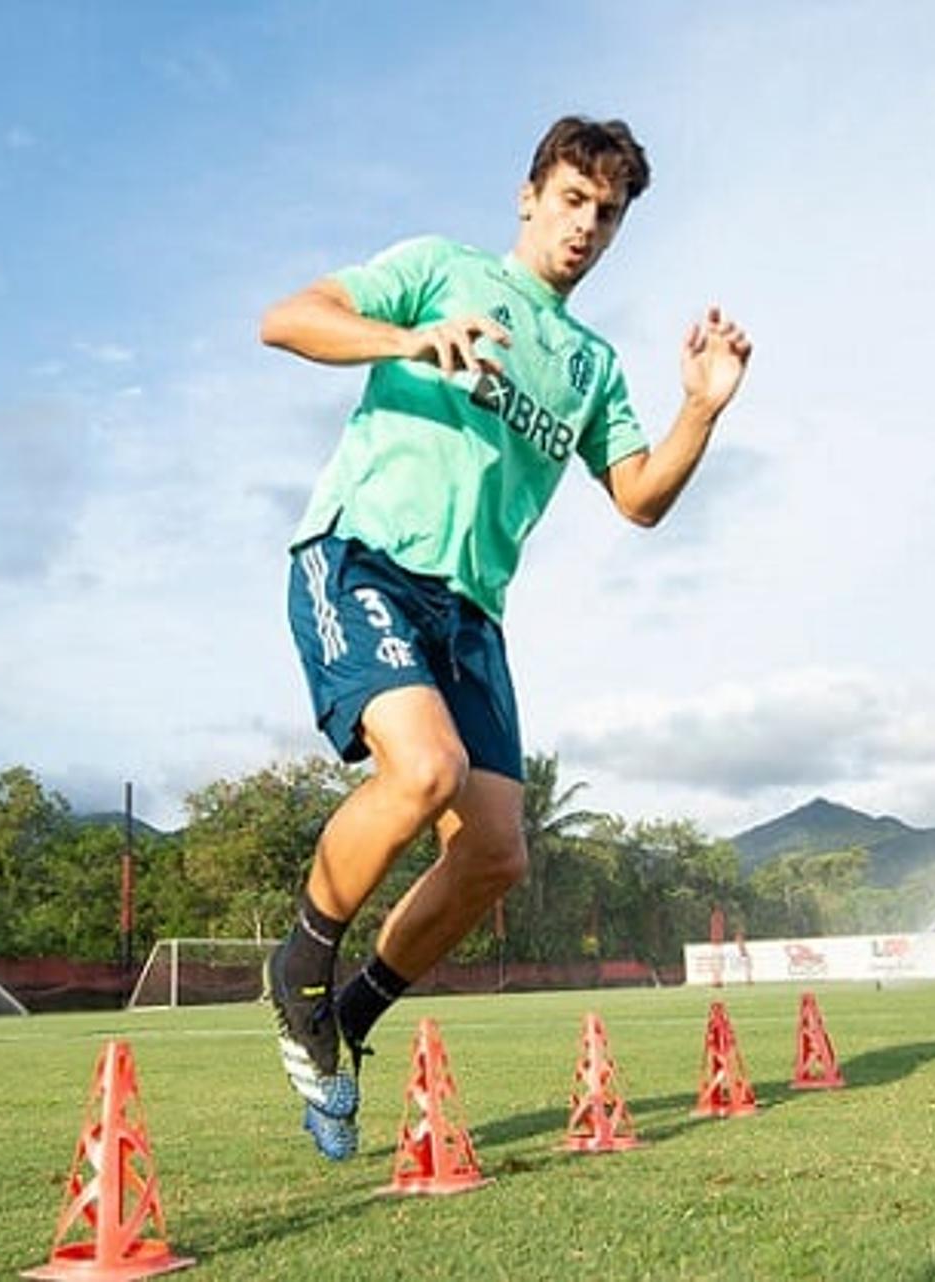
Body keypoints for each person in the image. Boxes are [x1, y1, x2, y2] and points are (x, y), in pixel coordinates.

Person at [259, 115, 752, 1159]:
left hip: (472, 615)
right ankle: (299, 967)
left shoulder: (589, 365)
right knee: (426, 769)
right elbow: (289, 318)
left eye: (607, 215)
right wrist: (406, 338)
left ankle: (345, 1019)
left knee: (494, 855)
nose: (586, 226)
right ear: (529, 196)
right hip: (363, 561)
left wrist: (701, 411)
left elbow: (638, 498)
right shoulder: (440, 270)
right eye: (573, 200)